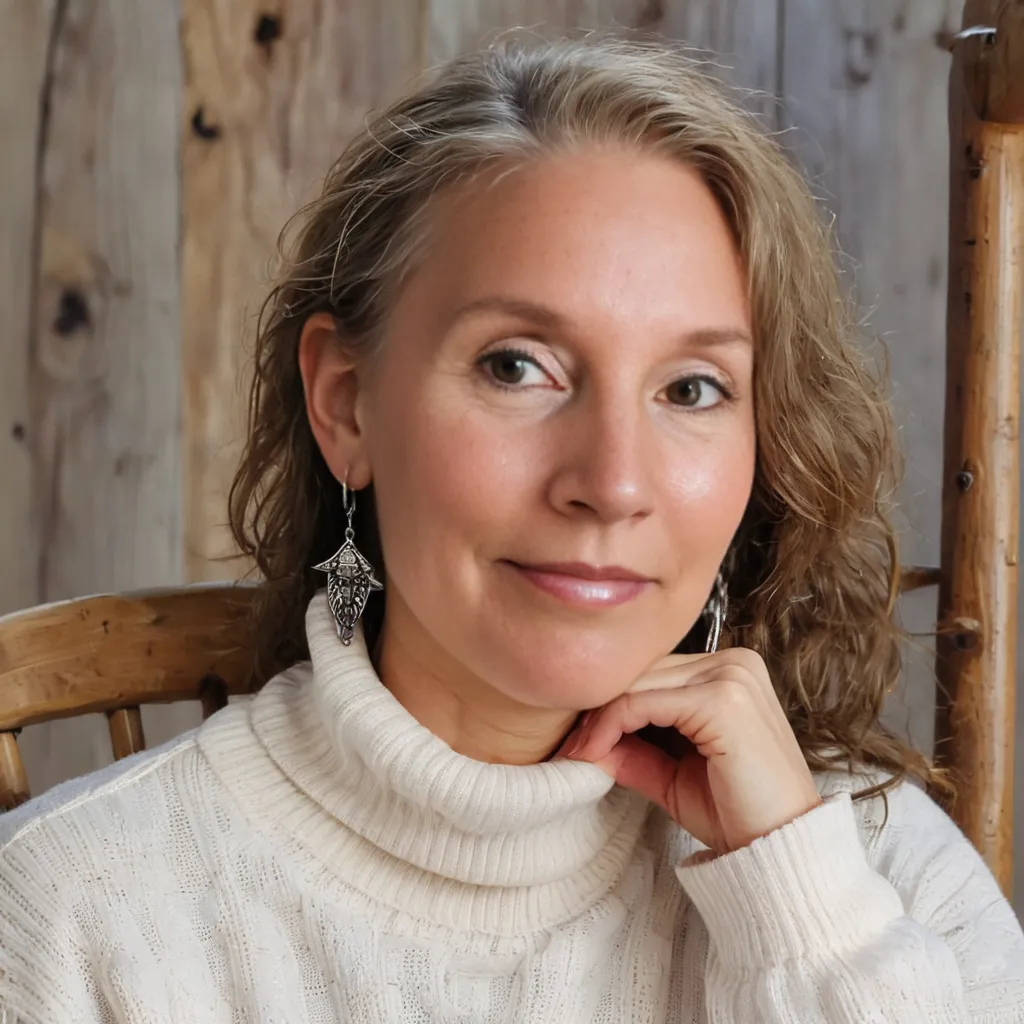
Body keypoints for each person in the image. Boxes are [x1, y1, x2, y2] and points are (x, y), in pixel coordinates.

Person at [1, 31, 1022, 1024]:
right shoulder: (75, 920)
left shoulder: (886, 884)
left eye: (693, 386)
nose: (613, 482)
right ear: (347, 404)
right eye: (516, 365)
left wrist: (805, 925)